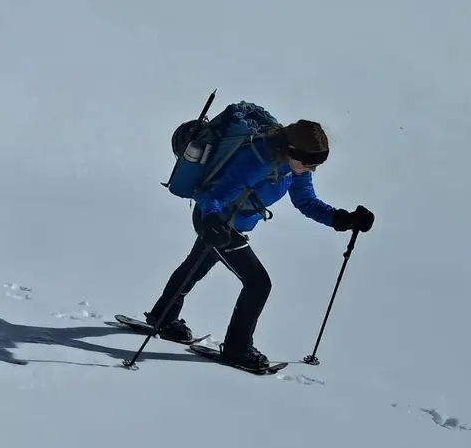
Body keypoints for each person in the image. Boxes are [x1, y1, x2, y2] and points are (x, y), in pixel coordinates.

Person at [143, 119, 374, 370]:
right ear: (292, 152)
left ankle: (163, 316)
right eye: (310, 163)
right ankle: (236, 348)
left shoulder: (294, 168)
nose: (312, 170)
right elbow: (215, 195)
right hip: (218, 221)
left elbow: (306, 202)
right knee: (258, 283)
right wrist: (212, 221)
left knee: (195, 266)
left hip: (230, 224)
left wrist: (342, 219)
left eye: (317, 165)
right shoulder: (257, 160)